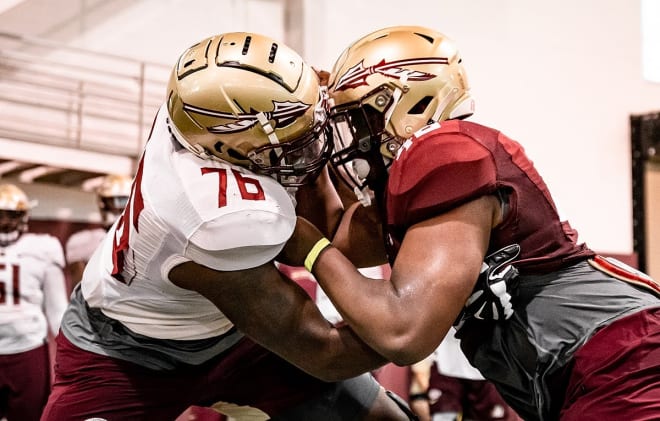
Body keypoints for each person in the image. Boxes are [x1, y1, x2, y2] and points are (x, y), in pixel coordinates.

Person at [278, 25, 660, 421]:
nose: (351, 135)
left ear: (404, 104)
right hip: (590, 372)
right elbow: (342, 243)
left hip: (622, 361)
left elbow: (404, 331)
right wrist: (307, 137)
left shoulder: (443, 149)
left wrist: (311, 250)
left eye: (359, 118)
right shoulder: (422, 173)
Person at [40, 32, 415, 421]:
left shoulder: (196, 113)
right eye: (292, 134)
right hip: (126, 351)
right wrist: (420, 320)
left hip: (229, 333)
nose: (312, 142)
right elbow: (325, 353)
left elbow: (341, 233)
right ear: (231, 150)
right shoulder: (213, 212)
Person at [0, 183, 68, 421]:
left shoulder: (42, 247)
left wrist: (69, 351)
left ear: (23, 217)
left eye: (11, 216)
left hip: (27, 347)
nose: (4, 223)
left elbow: (57, 308)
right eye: (0, 216)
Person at [64, 174, 132, 287]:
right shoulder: (84, 242)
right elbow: (81, 292)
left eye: (125, 201)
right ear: (104, 204)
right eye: (114, 201)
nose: (120, 207)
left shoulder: (146, 240)